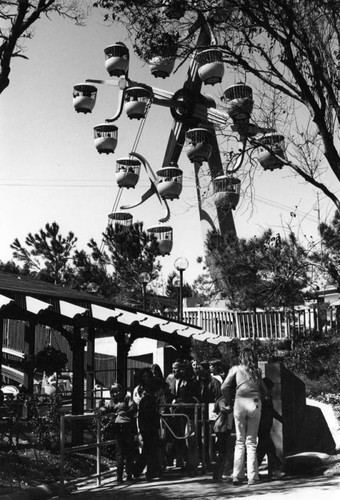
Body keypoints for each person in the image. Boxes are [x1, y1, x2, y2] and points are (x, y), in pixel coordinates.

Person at [221, 348, 268, 486]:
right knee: (251, 441)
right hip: (254, 403)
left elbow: (224, 387)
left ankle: (237, 475)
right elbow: (265, 390)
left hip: (239, 404)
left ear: (241, 357)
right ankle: (253, 477)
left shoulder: (235, 369)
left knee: (239, 441)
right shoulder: (257, 371)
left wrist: (230, 402)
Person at [133, 367, 163, 480]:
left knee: (148, 449)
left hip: (146, 426)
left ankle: (139, 471)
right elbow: (151, 415)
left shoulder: (146, 399)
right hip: (149, 427)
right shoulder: (149, 400)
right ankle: (147, 472)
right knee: (150, 449)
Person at [108, 383, 137, 483]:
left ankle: (129, 473)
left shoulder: (127, 398)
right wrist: (101, 410)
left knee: (128, 451)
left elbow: (133, 407)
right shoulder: (113, 401)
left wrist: (126, 413)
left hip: (127, 426)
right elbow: (107, 407)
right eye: (113, 392)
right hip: (118, 427)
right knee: (120, 452)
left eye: (117, 391)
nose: (116, 394)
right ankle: (119, 476)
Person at [257, 377, 285, 479]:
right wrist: (280, 418)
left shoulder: (266, 397)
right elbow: (270, 411)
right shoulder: (262, 398)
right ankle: (276, 469)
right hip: (263, 427)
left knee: (263, 449)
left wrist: (279, 418)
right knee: (269, 449)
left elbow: (271, 411)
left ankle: (253, 470)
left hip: (265, 426)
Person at [212, 395, 234, 482]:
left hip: (223, 428)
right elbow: (223, 409)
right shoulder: (223, 400)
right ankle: (218, 475)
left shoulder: (223, 399)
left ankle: (218, 475)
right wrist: (233, 408)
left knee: (224, 453)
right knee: (222, 453)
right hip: (222, 428)